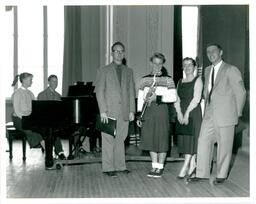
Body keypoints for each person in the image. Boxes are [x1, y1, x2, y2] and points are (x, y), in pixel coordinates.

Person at [189, 43, 246, 185]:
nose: (210, 54)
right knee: (203, 140)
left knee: (224, 146)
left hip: (226, 114)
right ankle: (202, 173)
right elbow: (208, 91)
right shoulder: (208, 70)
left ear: (221, 52)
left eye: (214, 51)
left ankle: (221, 174)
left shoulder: (231, 70)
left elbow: (241, 92)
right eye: (208, 52)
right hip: (209, 113)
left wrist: (237, 113)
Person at [95, 42, 136, 177]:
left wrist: (132, 110)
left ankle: (120, 166)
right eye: (116, 51)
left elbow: (131, 92)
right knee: (108, 140)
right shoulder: (103, 70)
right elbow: (99, 92)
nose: (119, 53)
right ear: (112, 53)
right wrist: (102, 111)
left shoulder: (129, 71)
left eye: (121, 51)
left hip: (124, 111)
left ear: (124, 54)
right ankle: (108, 168)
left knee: (120, 139)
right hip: (108, 112)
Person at [137, 52, 176, 178]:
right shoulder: (144, 79)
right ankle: (154, 165)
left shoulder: (168, 79)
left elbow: (173, 97)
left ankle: (160, 167)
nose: (157, 66)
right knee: (150, 138)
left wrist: (157, 98)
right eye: (155, 63)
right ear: (151, 63)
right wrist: (139, 115)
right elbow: (140, 99)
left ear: (163, 64)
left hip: (162, 111)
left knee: (162, 138)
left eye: (160, 63)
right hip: (148, 111)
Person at [174, 57, 203, 179]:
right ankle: (192, 166)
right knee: (185, 140)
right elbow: (176, 99)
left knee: (192, 140)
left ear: (194, 67)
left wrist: (186, 114)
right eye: (184, 65)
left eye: (189, 65)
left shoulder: (198, 80)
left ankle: (185, 166)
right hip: (182, 112)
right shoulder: (180, 82)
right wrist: (179, 113)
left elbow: (196, 99)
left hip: (193, 112)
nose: (187, 67)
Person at [11, 72, 45, 150]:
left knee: (42, 129)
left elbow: (35, 108)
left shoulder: (31, 93)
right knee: (31, 129)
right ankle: (39, 145)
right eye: (30, 80)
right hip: (19, 119)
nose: (32, 81)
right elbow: (17, 111)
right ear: (24, 80)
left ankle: (46, 149)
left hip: (28, 118)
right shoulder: (17, 93)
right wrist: (28, 120)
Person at [37, 75, 66, 160]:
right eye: (53, 81)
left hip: (55, 121)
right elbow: (40, 111)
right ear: (48, 82)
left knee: (57, 128)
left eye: (56, 81)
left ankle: (59, 151)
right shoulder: (42, 95)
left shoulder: (58, 95)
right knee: (54, 129)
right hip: (44, 121)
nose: (55, 83)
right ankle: (59, 152)